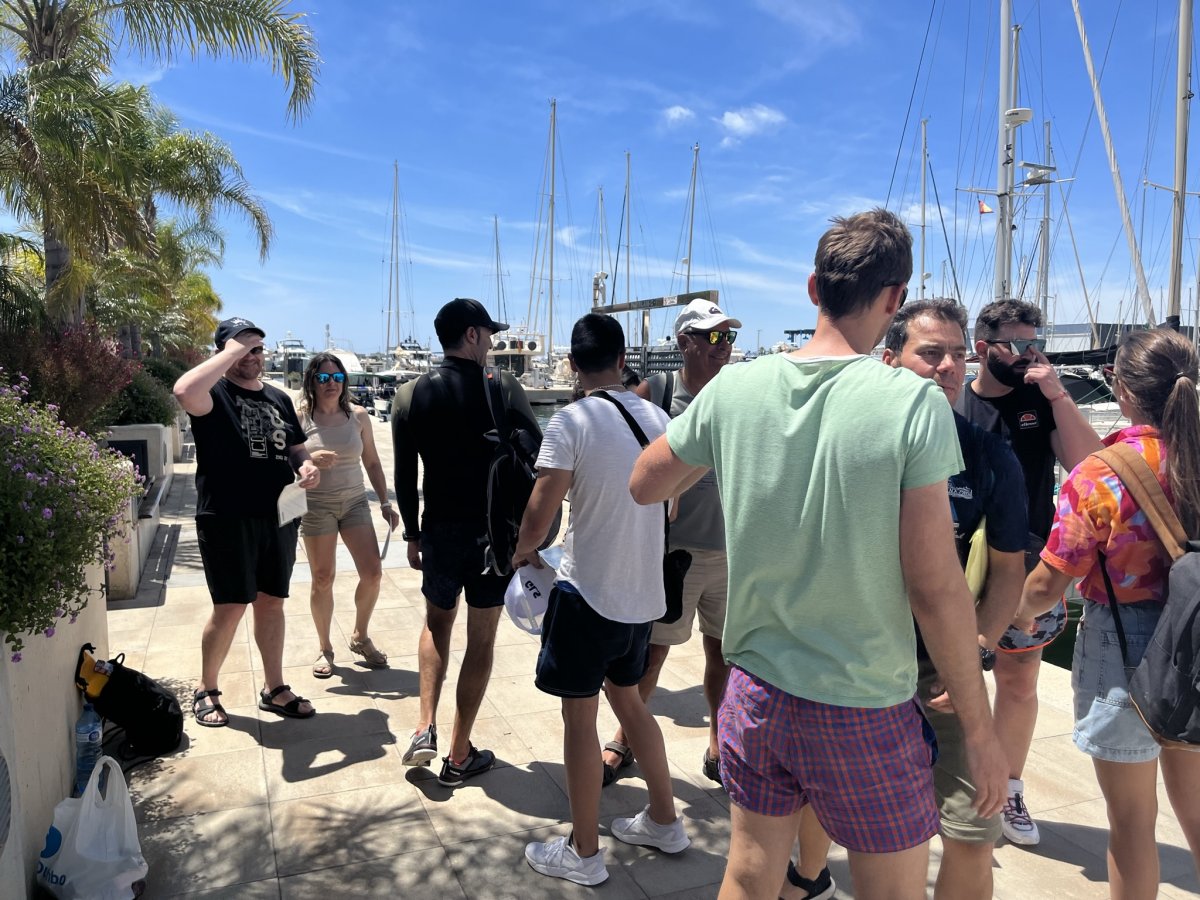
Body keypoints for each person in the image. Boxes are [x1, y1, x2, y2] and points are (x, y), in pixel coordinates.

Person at [627, 209, 1007, 900]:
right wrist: (979, 731)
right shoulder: (911, 405)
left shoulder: (735, 389)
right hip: (863, 702)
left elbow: (645, 482)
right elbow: (935, 586)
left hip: (755, 693)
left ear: (813, 289)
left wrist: (728, 449)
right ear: (895, 301)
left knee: (747, 872)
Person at [1014, 328, 1200, 897]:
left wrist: (1017, 617)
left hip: (1124, 641)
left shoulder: (1102, 471)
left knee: (1131, 825)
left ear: (1119, 388)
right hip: (1195, 639)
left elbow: (1050, 579)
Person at [515, 313, 689, 886]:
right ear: (621, 360)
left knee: (579, 717)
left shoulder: (570, 420)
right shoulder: (659, 417)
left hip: (589, 593)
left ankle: (584, 852)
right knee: (632, 705)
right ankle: (665, 819)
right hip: (644, 596)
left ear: (571, 364)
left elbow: (543, 509)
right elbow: (671, 505)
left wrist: (522, 552)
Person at [883, 299, 1028, 899]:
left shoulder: (990, 454)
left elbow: (1008, 572)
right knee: (869, 830)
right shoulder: (859, 446)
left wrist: (980, 645)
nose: (946, 366)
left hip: (943, 665)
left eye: (955, 353)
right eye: (929, 353)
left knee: (975, 825)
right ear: (890, 361)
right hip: (859, 661)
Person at [954, 299, 1101, 845]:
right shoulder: (954, 401)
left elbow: (1090, 468)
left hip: (1025, 566)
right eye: (1015, 345)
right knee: (936, 677)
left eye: (1033, 343)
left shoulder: (1040, 402)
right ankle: (938, 779)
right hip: (949, 564)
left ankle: (1009, 788)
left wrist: (1058, 392)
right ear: (983, 348)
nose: (1026, 355)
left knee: (1018, 681)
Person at [391, 297, 542, 787]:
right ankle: (459, 753)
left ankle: (423, 726)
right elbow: (538, 459)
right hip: (493, 537)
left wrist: (412, 534)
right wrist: (534, 532)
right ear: (472, 335)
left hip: (438, 531)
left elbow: (404, 475)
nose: (493, 344)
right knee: (481, 639)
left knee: (437, 624)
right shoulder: (503, 386)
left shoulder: (409, 395)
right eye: (489, 334)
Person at [602, 297, 741, 788]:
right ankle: (624, 738)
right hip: (673, 554)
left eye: (730, 337)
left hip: (731, 552)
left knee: (722, 655)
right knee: (653, 654)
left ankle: (718, 743)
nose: (725, 347)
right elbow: (626, 462)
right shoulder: (656, 392)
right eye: (716, 337)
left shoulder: (738, 396)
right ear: (685, 343)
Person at [173, 317, 321, 727]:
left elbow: (295, 448)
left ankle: (274, 688)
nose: (251, 357)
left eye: (257, 350)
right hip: (227, 515)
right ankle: (207, 688)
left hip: (279, 516)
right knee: (231, 605)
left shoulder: (277, 397)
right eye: (242, 349)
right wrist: (232, 350)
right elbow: (184, 390)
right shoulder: (213, 394)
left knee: (271, 602)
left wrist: (306, 467)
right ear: (224, 352)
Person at [297, 352, 400, 678]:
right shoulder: (301, 418)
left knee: (372, 573)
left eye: (337, 378)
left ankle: (360, 635)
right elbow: (286, 458)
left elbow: (372, 462)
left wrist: (385, 502)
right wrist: (311, 456)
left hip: (355, 502)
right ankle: (325, 648)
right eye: (324, 378)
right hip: (317, 505)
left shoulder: (358, 416)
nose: (331, 384)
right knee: (323, 578)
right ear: (312, 381)